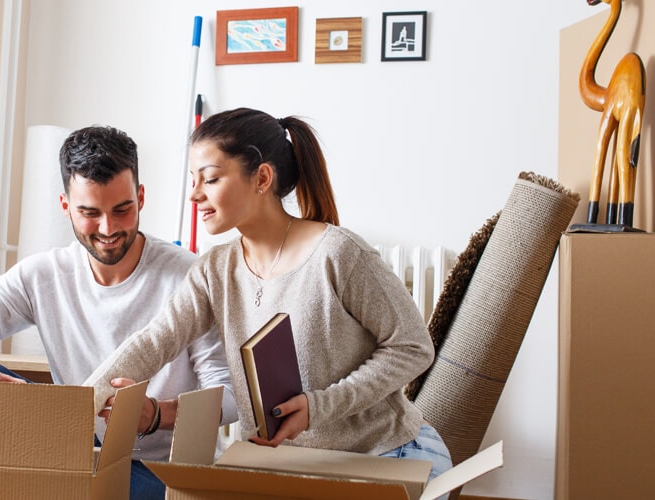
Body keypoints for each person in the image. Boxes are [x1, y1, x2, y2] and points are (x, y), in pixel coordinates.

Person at [83, 108, 453, 485]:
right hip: (289, 469)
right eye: (193, 179)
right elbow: (154, 341)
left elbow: (413, 347)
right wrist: (77, 408)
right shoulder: (215, 270)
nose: (194, 194)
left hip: (385, 455)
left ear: (261, 177)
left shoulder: (339, 254)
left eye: (209, 179)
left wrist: (318, 406)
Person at [0, 125, 238, 500]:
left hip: (163, 467)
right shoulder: (43, 275)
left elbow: (232, 397)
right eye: (90, 213)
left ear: (140, 197)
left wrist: (155, 415)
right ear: (65, 206)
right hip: (78, 452)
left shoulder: (191, 276)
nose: (108, 228)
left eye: (122, 210)